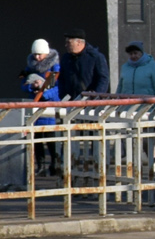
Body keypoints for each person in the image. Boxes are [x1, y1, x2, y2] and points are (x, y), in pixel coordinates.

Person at [19, 39, 61, 176]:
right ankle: (41, 166)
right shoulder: (29, 68)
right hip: (35, 106)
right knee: (36, 138)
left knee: (50, 137)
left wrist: (44, 94)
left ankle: (55, 164)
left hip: (49, 106)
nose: (37, 57)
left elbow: (58, 87)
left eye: (40, 54)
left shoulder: (55, 68)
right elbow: (22, 85)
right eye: (35, 54)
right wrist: (32, 87)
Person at [58, 29, 110, 98]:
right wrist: (63, 95)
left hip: (90, 102)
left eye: (69, 43)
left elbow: (103, 79)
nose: (66, 45)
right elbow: (62, 79)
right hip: (70, 101)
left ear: (79, 42)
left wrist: (96, 96)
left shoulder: (95, 57)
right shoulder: (66, 58)